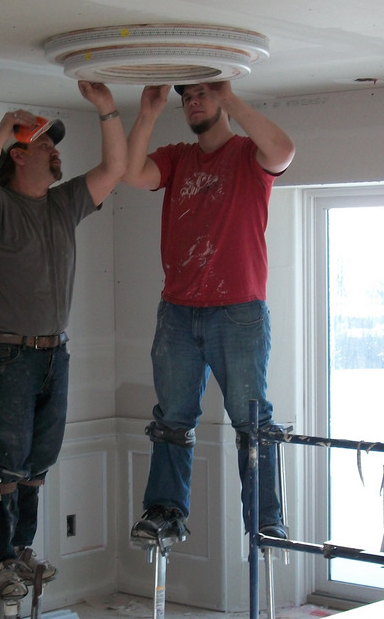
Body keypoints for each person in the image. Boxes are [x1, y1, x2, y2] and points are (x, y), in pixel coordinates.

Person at [0, 81, 126, 600]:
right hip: (5, 352)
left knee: (37, 462)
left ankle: (22, 550)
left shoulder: (63, 204)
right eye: (46, 144)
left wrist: (106, 108)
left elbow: (115, 169)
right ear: (18, 154)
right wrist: (3, 127)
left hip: (55, 351)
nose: (56, 151)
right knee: (5, 461)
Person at [122, 81, 295, 546]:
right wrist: (149, 111)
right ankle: (165, 512)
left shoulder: (247, 155)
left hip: (238, 311)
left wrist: (233, 97)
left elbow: (283, 149)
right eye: (187, 96)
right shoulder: (178, 157)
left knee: (251, 417)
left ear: (221, 99)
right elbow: (131, 173)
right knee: (172, 416)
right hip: (178, 311)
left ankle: (264, 519)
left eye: (202, 93)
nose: (192, 101)